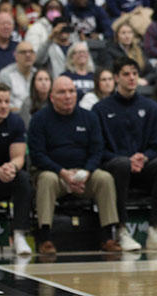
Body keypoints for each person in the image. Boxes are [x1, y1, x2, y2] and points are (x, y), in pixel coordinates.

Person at [28, 76, 121, 254]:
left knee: (105, 178)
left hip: (83, 175)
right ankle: (45, 238)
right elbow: (37, 155)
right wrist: (63, 173)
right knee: (46, 179)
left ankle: (107, 236)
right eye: (62, 92)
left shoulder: (89, 117)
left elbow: (97, 150)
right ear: (52, 96)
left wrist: (86, 172)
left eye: (71, 91)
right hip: (55, 175)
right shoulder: (39, 119)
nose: (68, 96)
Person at [94, 57, 157, 251]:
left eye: (134, 74)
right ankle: (121, 230)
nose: (131, 78)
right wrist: (126, 159)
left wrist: (144, 157)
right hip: (115, 166)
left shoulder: (150, 107)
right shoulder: (100, 109)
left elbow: (156, 145)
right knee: (122, 164)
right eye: (126, 74)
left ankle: (156, 230)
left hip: (143, 165)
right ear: (116, 78)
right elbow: (98, 149)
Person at [0, 83, 32, 255]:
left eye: (6, 101)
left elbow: (19, 156)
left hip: (6, 176)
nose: (4, 106)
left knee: (23, 178)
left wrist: (11, 167)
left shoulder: (15, 121)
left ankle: (19, 235)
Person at [0, 41, 36, 111]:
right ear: (16, 56)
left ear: (35, 55)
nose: (28, 55)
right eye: (23, 52)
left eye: (31, 52)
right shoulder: (6, 74)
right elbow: (4, 103)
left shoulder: (37, 75)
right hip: (13, 116)